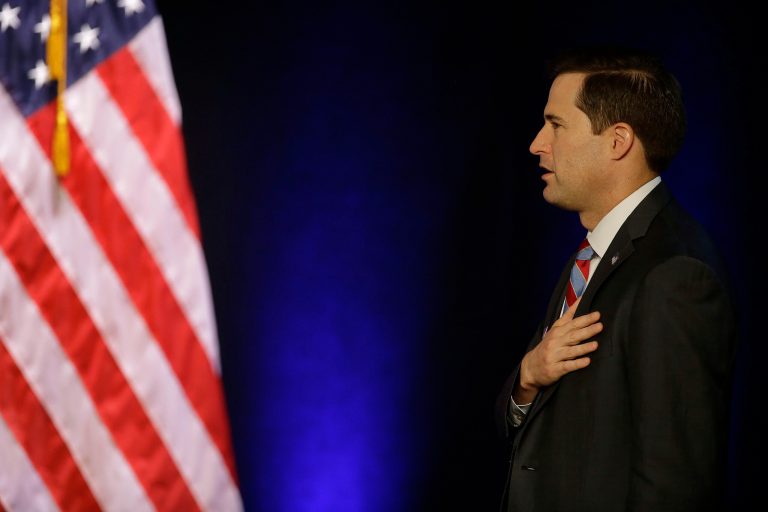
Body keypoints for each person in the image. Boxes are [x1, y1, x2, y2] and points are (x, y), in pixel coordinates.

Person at [495, 46, 737, 512]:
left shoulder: (676, 275)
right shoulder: (593, 255)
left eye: (556, 124)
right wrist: (526, 378)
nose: (537, 144)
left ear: (617, 141)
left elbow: (674, 485)